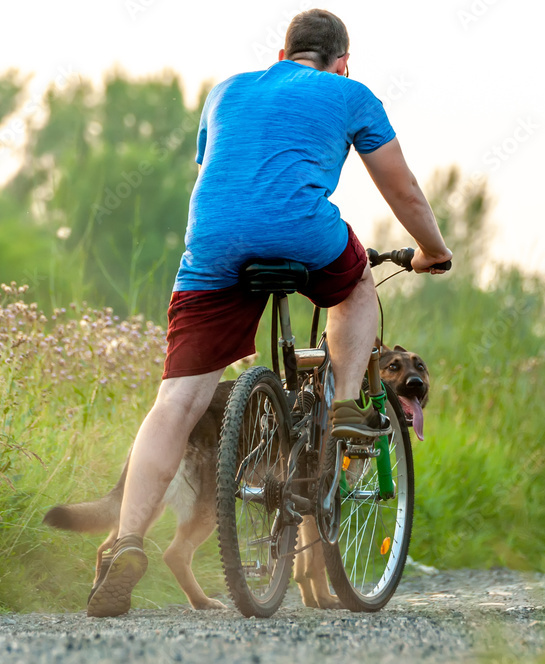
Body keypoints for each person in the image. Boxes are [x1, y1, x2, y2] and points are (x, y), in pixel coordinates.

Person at [85, 8, 452, 617]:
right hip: (302, 234)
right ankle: (338, 407)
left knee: (177, 401)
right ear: (341, 62)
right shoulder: (350, 92)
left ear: (282, 55)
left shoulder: (225, 90)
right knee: (357, 283)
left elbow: (222, 173)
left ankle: (125, 543)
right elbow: (403, 189)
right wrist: (433, 251)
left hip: (213, 243)